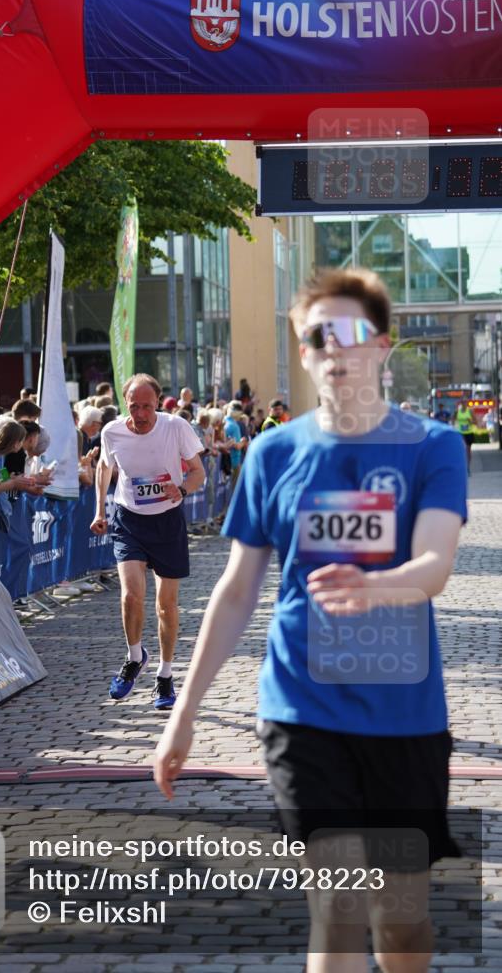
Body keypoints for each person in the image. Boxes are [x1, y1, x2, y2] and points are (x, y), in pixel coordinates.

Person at [155, 268, 467, 973]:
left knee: (400, 918)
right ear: (302, 353)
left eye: (349, 333)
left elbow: (434, 566)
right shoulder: (273, 453)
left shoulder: (430, 447)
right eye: (315, 337)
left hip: (403, 714)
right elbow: (237, 590)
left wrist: (376, 585)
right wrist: (185, 712)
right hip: (300, 707)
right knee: (337, 905)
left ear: (382, 346)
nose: (333, 350)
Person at [91, 374, 205, 711]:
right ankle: (134, 656)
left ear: (158, 402)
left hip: (167, 520)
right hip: (130, 520)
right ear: (125, 402)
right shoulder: (112, 431)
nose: (140, 413)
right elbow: (104, 465)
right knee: (130, 595)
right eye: (134, 405)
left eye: (147, 405)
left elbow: (199, 472)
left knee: (166, 604)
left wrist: (181, 489)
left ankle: (165, 675)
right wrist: (100, 509)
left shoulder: (175, 427)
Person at [453, 395, 475, 473]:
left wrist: (470, 421)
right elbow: (452, 420)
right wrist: (453, 427)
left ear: (467, 403)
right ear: (460, 403)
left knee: (468, 450)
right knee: (462, 449)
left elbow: (475, 422)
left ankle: (468, 468)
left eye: (465, 402)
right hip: (460, 433)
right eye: (462, 402)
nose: (464, 403)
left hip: (469, 432)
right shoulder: (457, 411)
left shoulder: (470, 411)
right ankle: (462, 467)